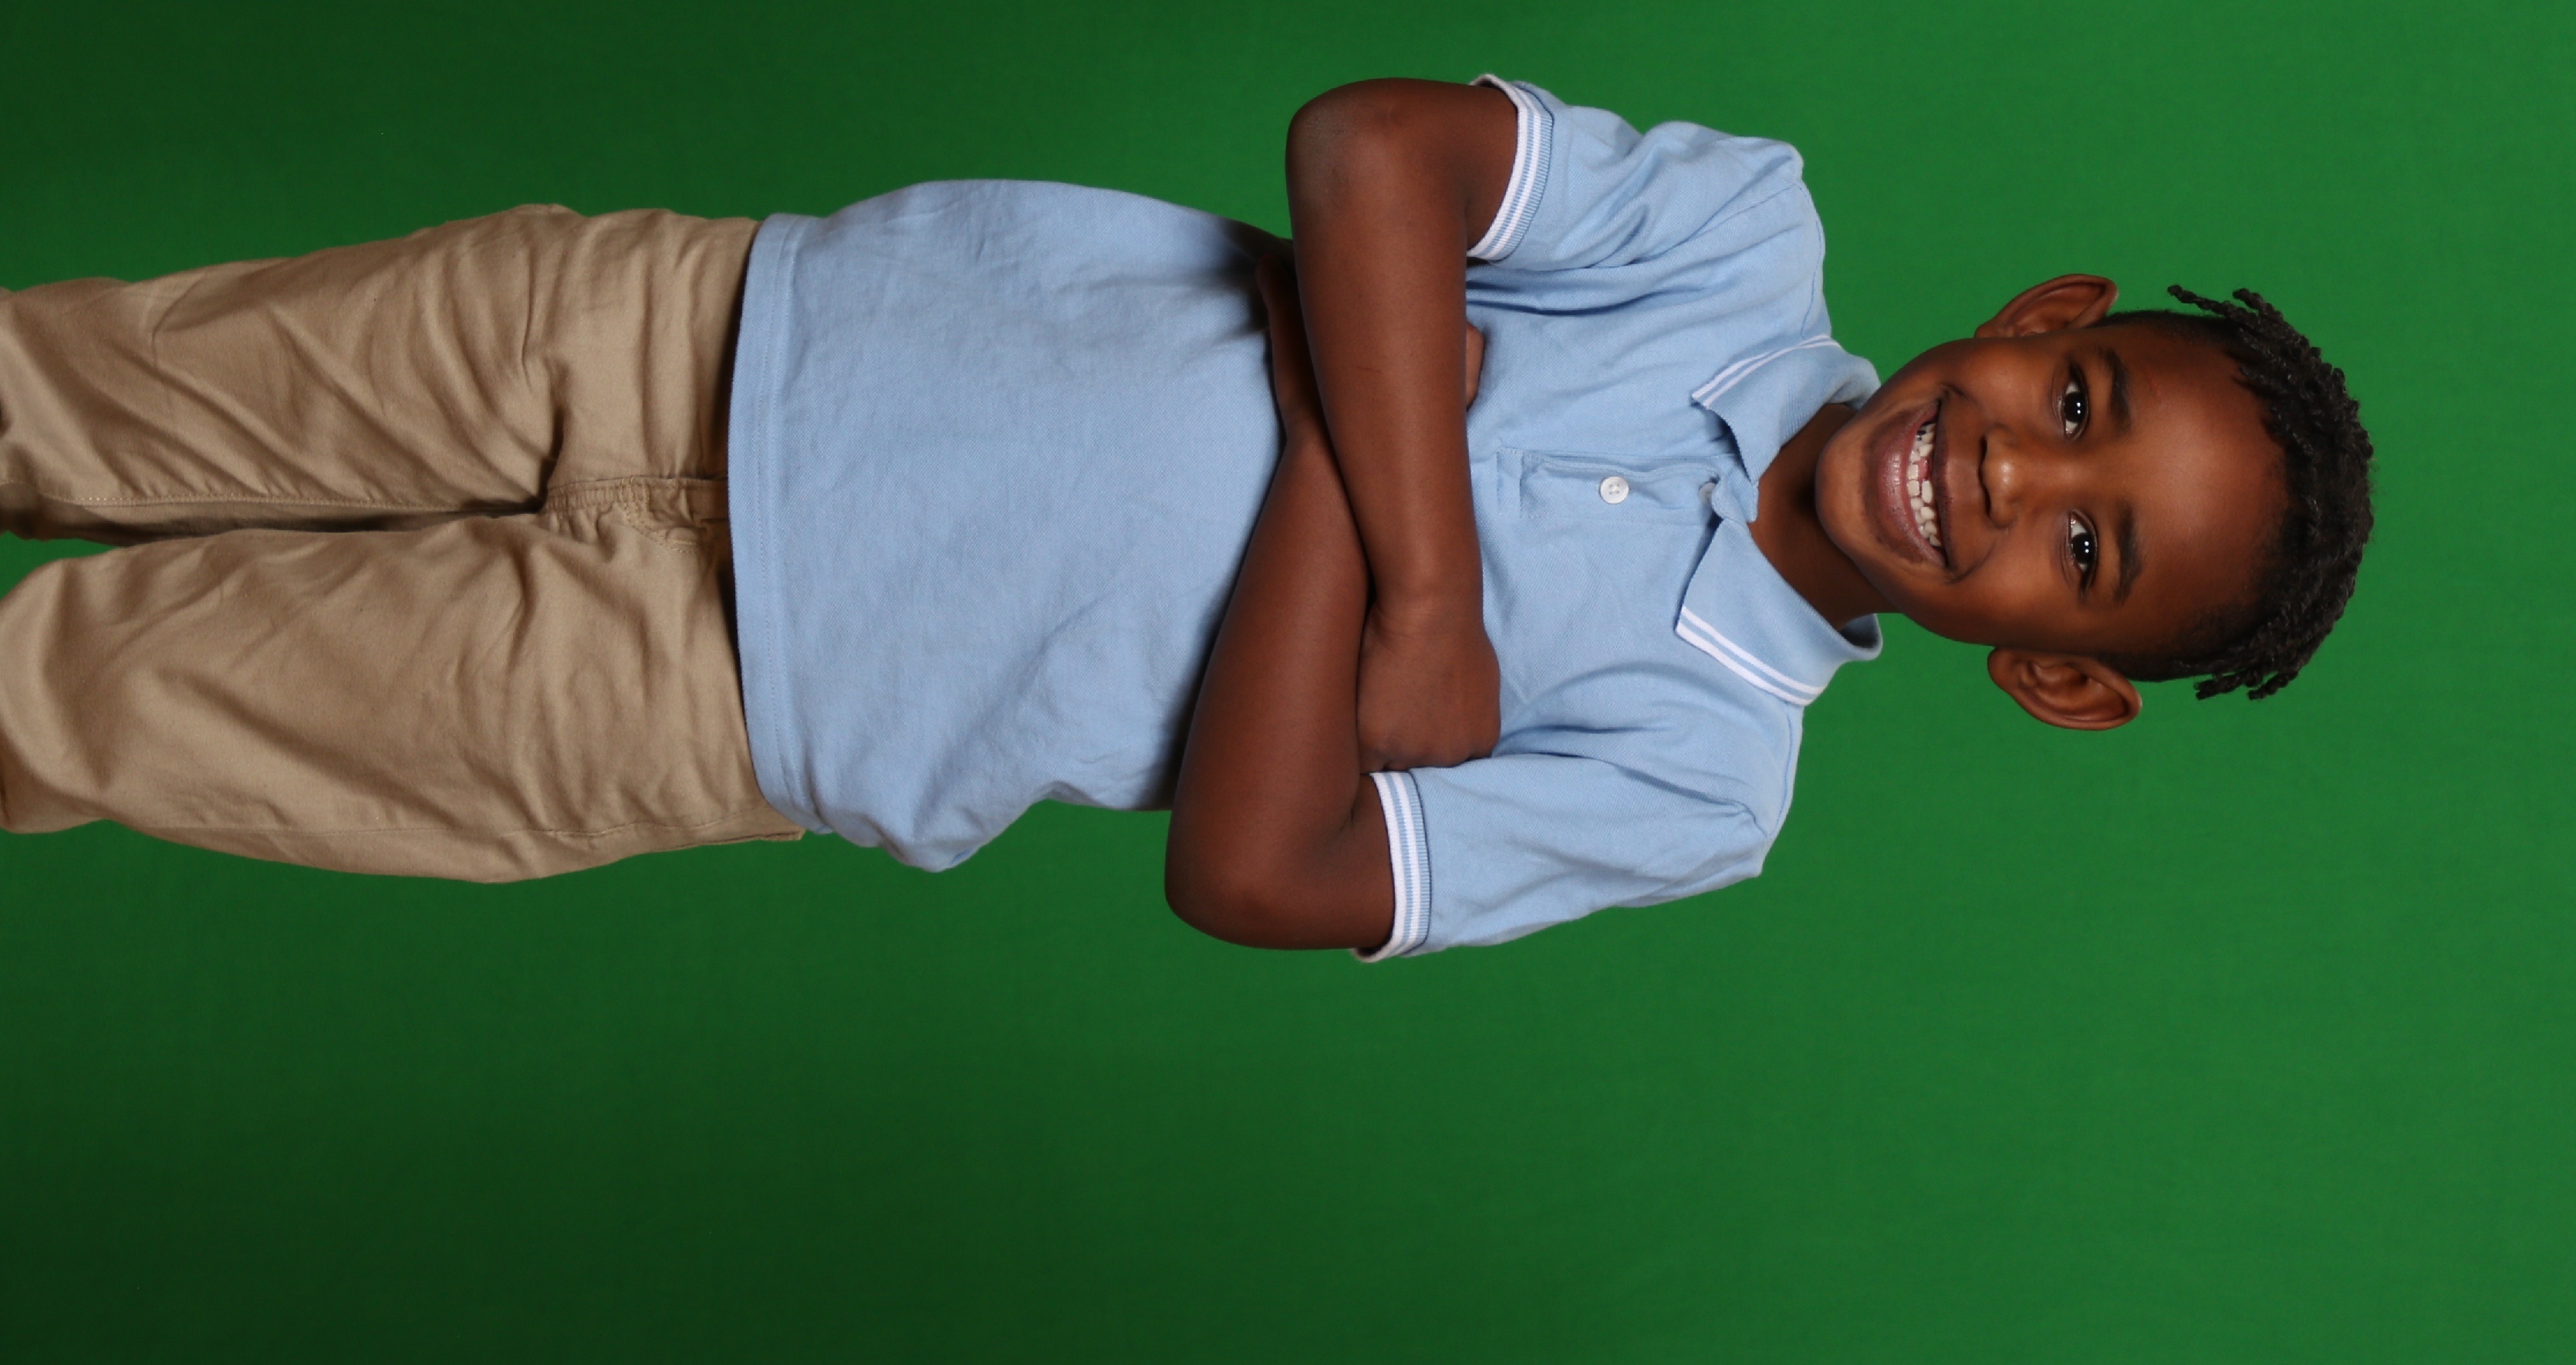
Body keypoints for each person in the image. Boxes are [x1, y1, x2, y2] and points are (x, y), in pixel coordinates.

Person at [0, 76, 2374, 957]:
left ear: (2055, 676)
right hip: (697, 323)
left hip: (714, 694)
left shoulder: (1701, 775)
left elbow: (1256, 870)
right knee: (74, 381)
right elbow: (1372, 152)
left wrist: (1366, 411)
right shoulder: (1738, 238)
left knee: (82, 704)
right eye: (2076, 403)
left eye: (2084, 550)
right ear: (2048, 314)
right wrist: (1418, 598)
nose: (2014, 471)